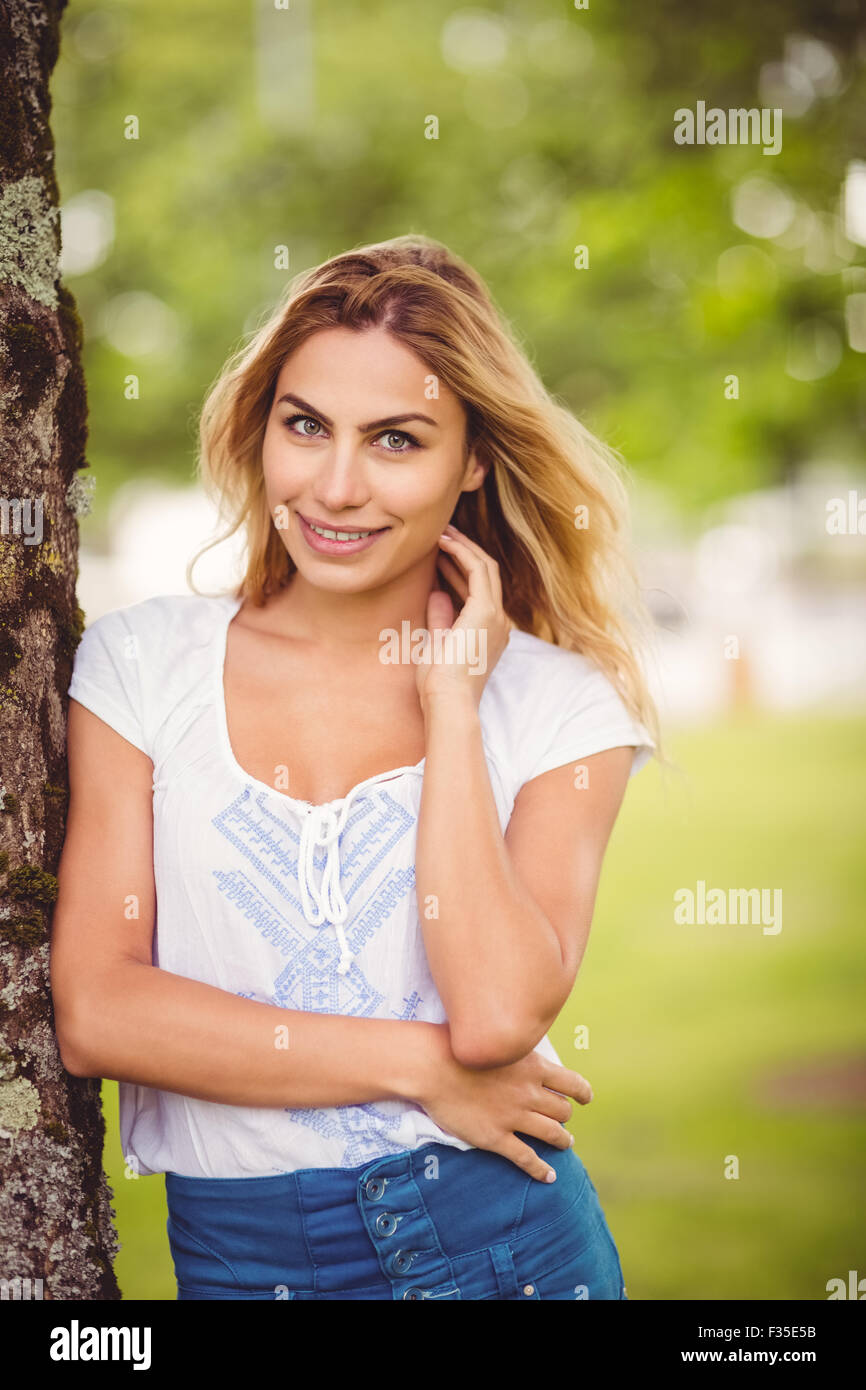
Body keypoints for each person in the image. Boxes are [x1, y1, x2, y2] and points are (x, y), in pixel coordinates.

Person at [51, 234, 661, 1301]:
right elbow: (101, 1010)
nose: (335, 487)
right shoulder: (141, 666)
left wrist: (451, 705)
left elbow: (494, 1016)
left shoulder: (562, 707)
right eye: (305, 426)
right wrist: (420, 1068)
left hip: (505, 1248)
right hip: (247, 1263)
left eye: (396, 439)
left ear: (471, 459)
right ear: (261, 430)